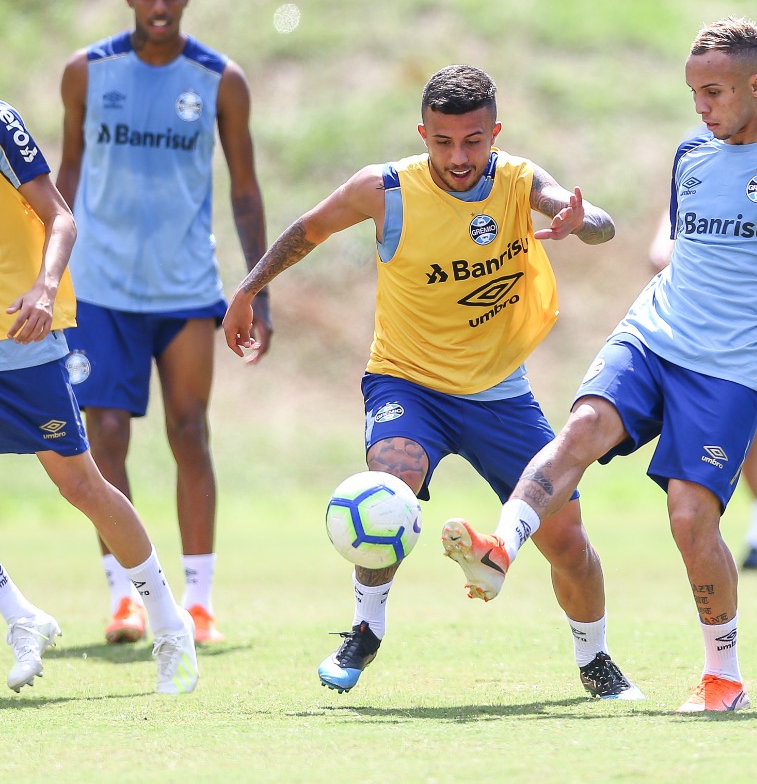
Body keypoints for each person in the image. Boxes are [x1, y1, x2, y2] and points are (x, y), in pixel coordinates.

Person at [441, 18, 757, 712]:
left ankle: (723, 679)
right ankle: (501, 550)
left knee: (689, 519)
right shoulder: (691, 152)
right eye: (694, 92)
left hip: (727, 369)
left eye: (717, 92)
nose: (702, 106)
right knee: (579, 432)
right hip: (652, 335)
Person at [222, 64, 643, 700]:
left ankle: (596, 661)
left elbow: (596, 222)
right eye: (443, 142)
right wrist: (249, 288)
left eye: (473, 140)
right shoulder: (385, 190)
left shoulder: (518, 181)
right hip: (408, 382)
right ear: (423, 135)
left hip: (500, 391)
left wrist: (581, 220)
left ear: (495, 133)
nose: (458, 156)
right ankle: (365, 630)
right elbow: (309, 227)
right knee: (389, 478)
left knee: (567, 541)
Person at [55, 0, 272, 646]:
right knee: (105, 438)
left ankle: (200, 601)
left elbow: (243, 188)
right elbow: (61, 177)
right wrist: (43, 277)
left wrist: (257, 289)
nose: (157, 6)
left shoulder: (219, 80)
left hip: (184, 288)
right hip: (104, 288)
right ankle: (126, 599)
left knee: (190, 433)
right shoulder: (88, 72)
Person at [1, 98, 197, 694]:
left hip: (20, 335)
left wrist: (45, 285)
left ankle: (170, 625)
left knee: (80, 484)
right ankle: (19, 617)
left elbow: (60, 217)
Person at [648, 83, 757, 571]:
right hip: (710, 317)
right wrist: (663, 246)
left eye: (718, 91)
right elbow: (673, 220)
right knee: (738, 422)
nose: (709, 104)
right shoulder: (700, 144)